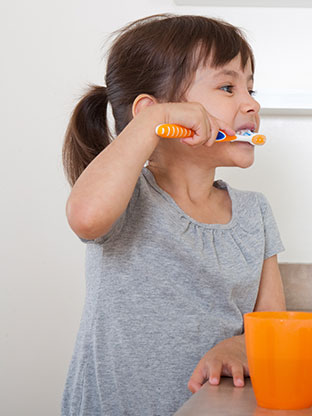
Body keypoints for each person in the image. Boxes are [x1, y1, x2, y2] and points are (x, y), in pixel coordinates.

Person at [61, 14, 286, 415]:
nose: (251, 103)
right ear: (156, 113)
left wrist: (239, 345)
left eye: (251, 89)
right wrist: (152, 122)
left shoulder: (255, 213)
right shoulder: (127, 197)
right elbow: (85, 216)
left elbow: (272, 322)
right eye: (228, 87)